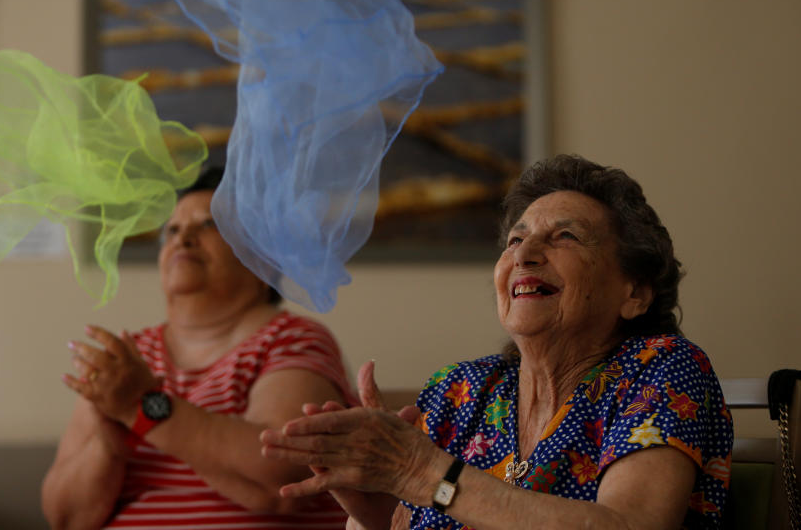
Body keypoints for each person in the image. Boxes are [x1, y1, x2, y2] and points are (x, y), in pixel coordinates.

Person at [261, 154, 734, 529]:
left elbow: (629, 526)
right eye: (514, 240)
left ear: (634, 293)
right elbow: (411, 510)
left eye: (565, 236)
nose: (524, 254)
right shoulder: (460, 390)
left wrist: (425, 474)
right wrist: (374, 506)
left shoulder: (661, 370)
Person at [41, 167, 355, 530]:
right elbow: (64, 519)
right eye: (172, 230)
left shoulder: (293, 338)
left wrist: (143, 409)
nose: (183, 237)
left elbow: (280, 479)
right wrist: (109, 447)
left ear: (262, 257)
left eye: (209, 225)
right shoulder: (127, 360)